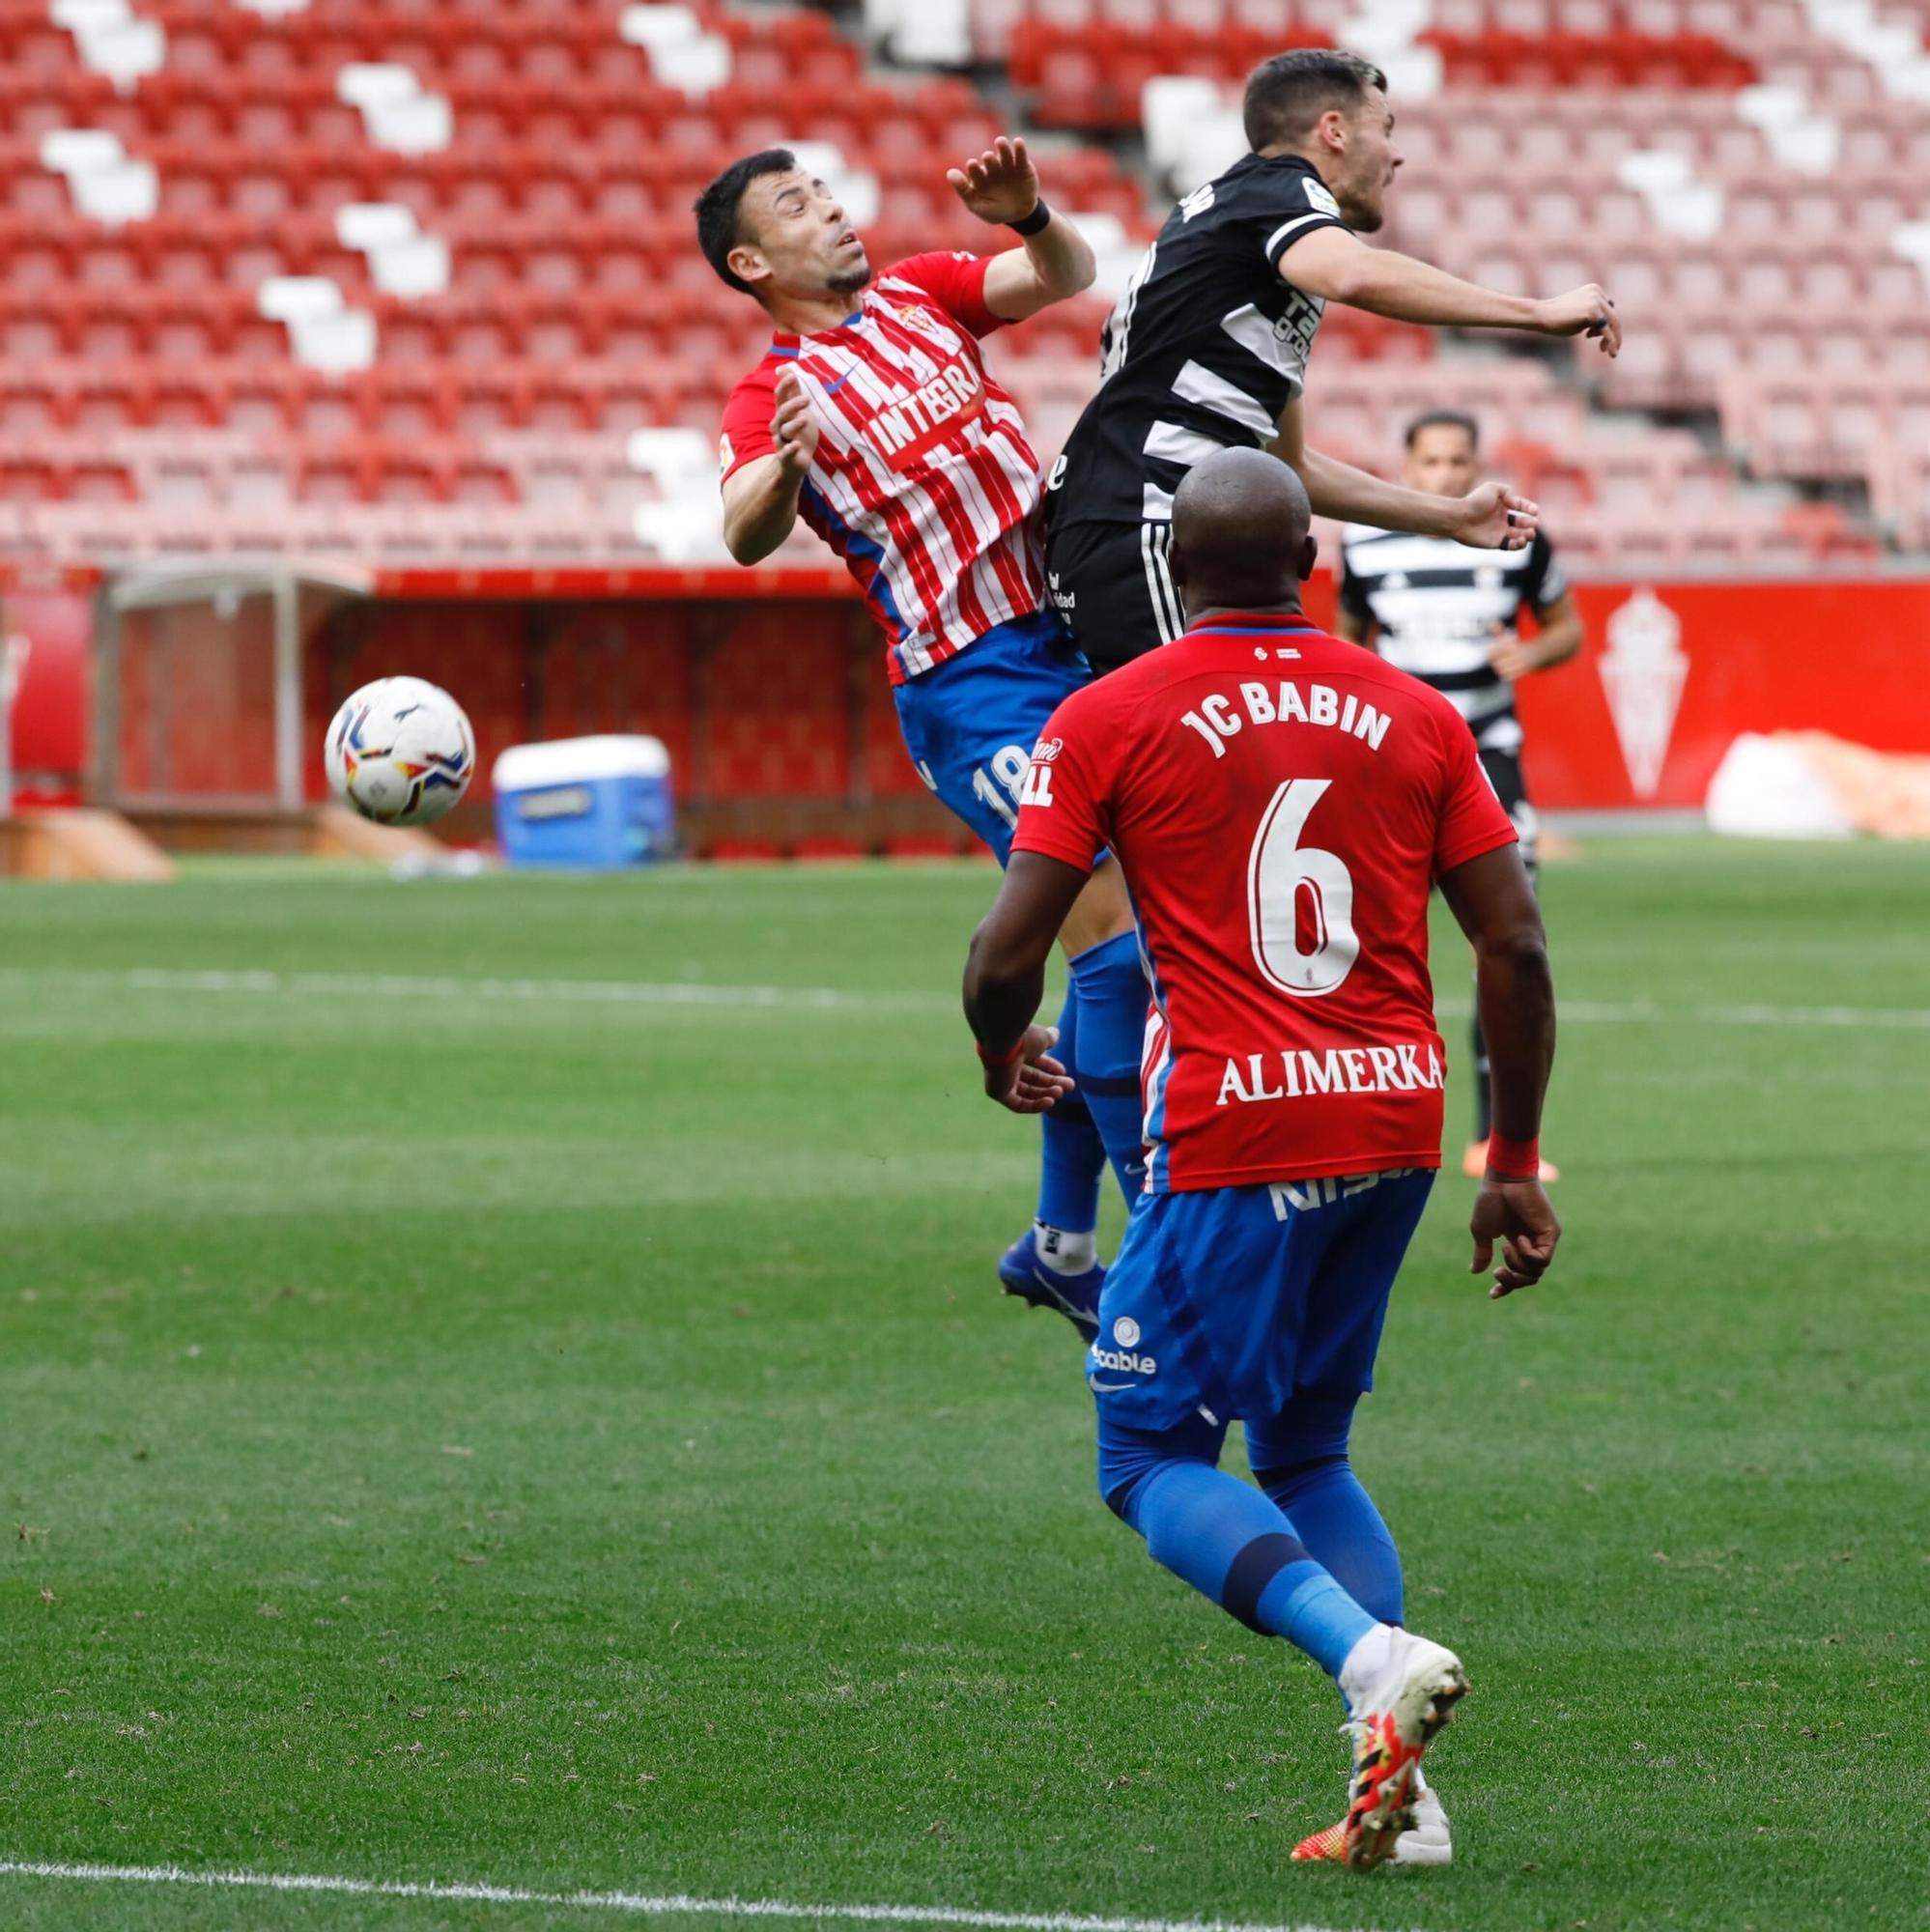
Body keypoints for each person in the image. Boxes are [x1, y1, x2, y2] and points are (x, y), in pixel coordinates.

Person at [961, 448, 1561, 1872]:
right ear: (1311, 562)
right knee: (1302, 1443)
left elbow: (1007, 950)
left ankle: (1368, 1666)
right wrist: (1515, 1157)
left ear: (1174, 568)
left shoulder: (1108, 714)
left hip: (1235, 1130)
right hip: (1393, 1118)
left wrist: (1001, 1052)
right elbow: (1514, 943)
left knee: (1148, 1454)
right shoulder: (1414, 713)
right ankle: (1402, 1805)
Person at [697, 141, 1151, 1339]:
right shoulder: (769, 392)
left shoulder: (915, 293)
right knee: (1121, 948)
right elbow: (744, 528)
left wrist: (1031, 215)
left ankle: (1059, 1244)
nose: (833, 211)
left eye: (827, 191)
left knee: (1125, 944)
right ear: (751, 262)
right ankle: (1171, 1245)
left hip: (1071, 640)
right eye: (798, 204)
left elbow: (1061, 272)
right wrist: (785, 469)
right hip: (975, 680)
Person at [1042, 47, 1620, 674]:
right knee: (1189, 756)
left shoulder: (1251, 254)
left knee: (1211, 754)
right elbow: (1352, 272)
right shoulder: (1278, 190)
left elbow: (1294, 469)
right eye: (1386, 129)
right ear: (1335, 130)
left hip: (1134, 518)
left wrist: (1450, 517)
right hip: (1140, 515)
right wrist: (1537, 314)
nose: (1396, 157)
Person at [1337, 411, 1582, 1181]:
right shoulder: (1364, 541)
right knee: (1370, 934)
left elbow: (1567, 628)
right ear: (1407, 468)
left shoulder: (1518, 536)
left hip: (1490, 756)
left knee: (1508, 940)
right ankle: (1366, 1124)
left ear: (1480, 465)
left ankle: (1493, 1137)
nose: (1446, 474)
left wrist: (1534, 650)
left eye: (1459, 461)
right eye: (1433, 461)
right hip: (1394, 764)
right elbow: (1346, 638)